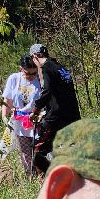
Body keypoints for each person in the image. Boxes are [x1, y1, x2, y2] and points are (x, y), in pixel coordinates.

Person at [29, 42, 81, 175]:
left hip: (56, 116)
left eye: (32, 59)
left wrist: (36, 110)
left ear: (35, 56)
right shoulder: (60, 67)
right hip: (72, 115)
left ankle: (42, 180)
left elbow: (47, 90)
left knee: (38, 146)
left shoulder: (47, 68)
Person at [1, 53, 41, 178]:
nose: (31, 76)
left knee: (39, 151)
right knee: (25, 152)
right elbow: (7, 100)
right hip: (20, 121)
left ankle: (42, 176)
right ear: (21, 68)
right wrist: (4, 116)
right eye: (27, 73)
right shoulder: (14, 79)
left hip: (38, 120)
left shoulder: (41, 79)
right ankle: (31, 177)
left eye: (33, 73)